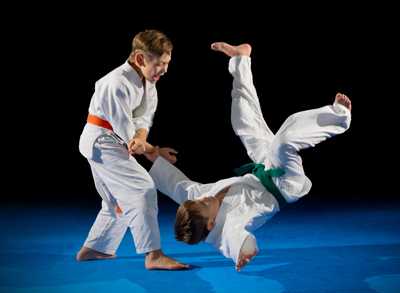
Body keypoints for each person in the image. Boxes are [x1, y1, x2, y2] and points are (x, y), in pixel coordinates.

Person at [144, 42, 352, 272]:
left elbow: (177, 186)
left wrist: (155, 159)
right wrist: (244, 252)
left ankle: (240, 59)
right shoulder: (225, 229)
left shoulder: (201, 200)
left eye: (198, 200)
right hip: (284, 185)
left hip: (265, 167)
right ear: (212, 224)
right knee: (282, 143)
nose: (205, 198)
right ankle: (340, 116)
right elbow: (235, 240)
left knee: (243, 124)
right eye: (203, 205)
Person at [77, 29, 189, 270]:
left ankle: (95, 248)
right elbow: (126, 132)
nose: (165, 70)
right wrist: (154, 151)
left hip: (111, 141)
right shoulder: (115, 83)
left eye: (168, 63)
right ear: (140, 59)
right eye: (160, 64)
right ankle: (154, 255)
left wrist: (143, 140)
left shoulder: (148, 83)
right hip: (102, 142)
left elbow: (142, 122)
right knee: (142, 188)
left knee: (117, 200)